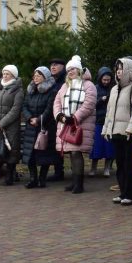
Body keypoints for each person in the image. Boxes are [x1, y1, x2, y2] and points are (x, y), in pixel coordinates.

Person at [103, 57, 132, 205]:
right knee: (120, 165)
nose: (119, 72)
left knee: (129, 165)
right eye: (117, 69)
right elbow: (109, 111)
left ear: (129, 70)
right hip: (115, 132)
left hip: (128, 134)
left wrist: (131, 129)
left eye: (122, 69)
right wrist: (106, 129)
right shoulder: (114, 89)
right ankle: (123, 192)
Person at [54, 56, 96, 194]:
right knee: (71, 154)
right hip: (66, 124)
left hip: (80, 125)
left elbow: (89, 104)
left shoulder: (88, 85)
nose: (70, 71)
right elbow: (57, 103)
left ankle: (79, 184)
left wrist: (75, 118)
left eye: (73, 69)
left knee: (76, 152)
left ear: (79, 70)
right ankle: (74, 181)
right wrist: (59, 116)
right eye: (68, 70)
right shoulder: (65, 85)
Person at [22, 66, 58, 189]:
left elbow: (49, 108)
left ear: (45, 77)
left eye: (38, 76)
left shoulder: (51, 91)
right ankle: (33, 179)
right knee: (30, 154)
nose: (35, 78)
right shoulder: (31, 89)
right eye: (34, 75)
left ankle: (42, 178)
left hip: (45, 127)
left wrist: (39, 119)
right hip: (31, 127)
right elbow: (24, 106)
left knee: (44, 154)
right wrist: (29, 118)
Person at [89, 67, 115, 177]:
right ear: (100, 78)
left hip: (109, 122)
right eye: (104, 79)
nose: (106, 82)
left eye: (108, 80)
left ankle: (107, 168)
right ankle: (93, 168)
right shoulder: (94, 88)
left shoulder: (113, 89)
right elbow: (90, 104)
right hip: (98, 121)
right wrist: (101, 100)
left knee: (109, 147)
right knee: (96, 147)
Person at [48, 58, 68, 181]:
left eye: (56, 65)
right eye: (51, 64)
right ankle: (57, 170)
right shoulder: (50, 80)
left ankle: (59, 171)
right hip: (49, 117)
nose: (53, 67)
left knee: (60, 145)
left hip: (60, 117)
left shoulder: (65, 81)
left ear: (63, 66)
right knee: (54, 145)